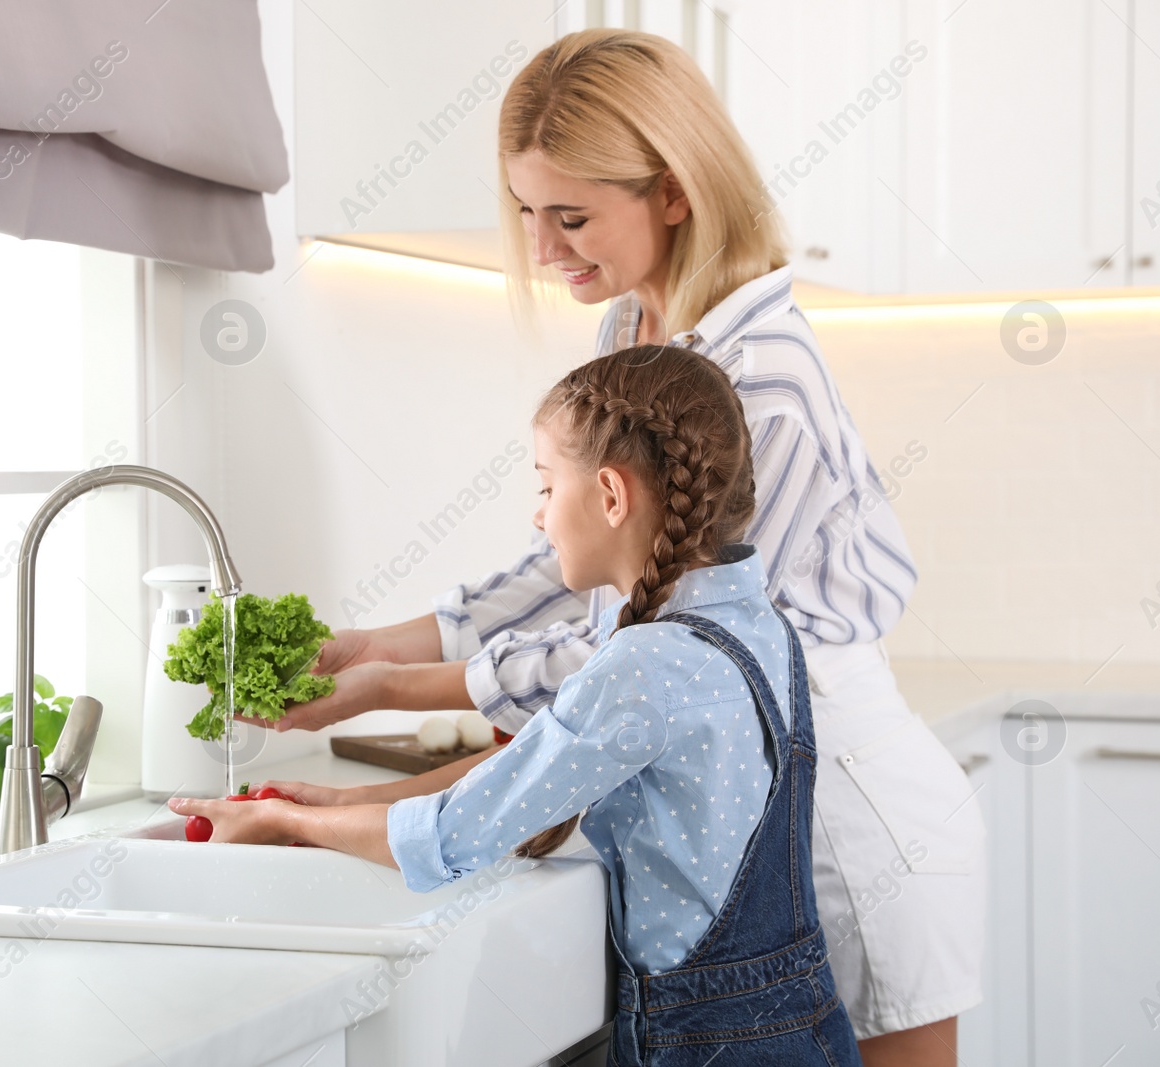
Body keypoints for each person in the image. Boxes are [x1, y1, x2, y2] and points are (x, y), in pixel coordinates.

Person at [246, 29, 986, 1066]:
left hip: (846, 814)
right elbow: (582, 563)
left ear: (674, 192)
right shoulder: (636, 333)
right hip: (748, 787)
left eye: (572, 215)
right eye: (525, 212)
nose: (544, 249)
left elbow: (665, 646)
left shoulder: (760, 376)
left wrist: (397, 687)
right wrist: (378, 645)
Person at [173, 346, 862, 1064]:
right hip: (807, 1025)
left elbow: (450, 836)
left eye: (543, 485)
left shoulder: (643, 665)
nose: (538, 518)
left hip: (708, 1044)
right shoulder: (758, 626)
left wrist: (287, 819)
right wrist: (328, 803)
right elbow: (526, 773)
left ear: (611, 495)